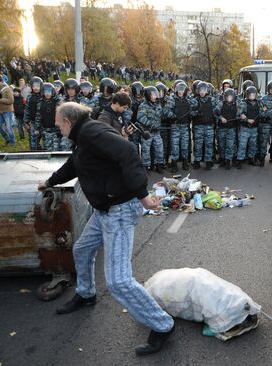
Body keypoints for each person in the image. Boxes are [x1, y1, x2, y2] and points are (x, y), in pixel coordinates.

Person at [39, 102, 175, 356]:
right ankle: (86, 293)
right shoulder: (84, 136)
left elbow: (128, 153)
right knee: (82, 249)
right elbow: (74, 165)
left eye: (59, 125)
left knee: (119, 281)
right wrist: (49, 181)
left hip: (119, 210)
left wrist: (143, 195)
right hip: (104, 210)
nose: (58, 129)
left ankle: (163, 325)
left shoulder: (92, 132)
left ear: (68, 121)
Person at [137, 86, 174, 173]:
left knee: (159, 149)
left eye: (155, 94)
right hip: (147, 132)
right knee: (146, 150)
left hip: (157, 132)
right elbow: (140, 117)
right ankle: (146, 166)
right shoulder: (143, 105)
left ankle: (159, 165)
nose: (155, 97)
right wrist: (150, 124)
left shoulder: (158, 105)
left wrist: (173, 115)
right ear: (148, 96)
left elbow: (164, 113)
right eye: (153, 95)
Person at [235, 85, 263, 169]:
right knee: (242, 145)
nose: (252, 96)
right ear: (247, 95)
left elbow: (263, 111)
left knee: (253, 145)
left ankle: (251, 159)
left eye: (253, 94)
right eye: (250, 94)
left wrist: (264, 109)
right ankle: (239, 160)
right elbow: (238, 114)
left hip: (254, 128)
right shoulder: (242, 103)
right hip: (245, 128)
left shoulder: (258, 103)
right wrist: (247, 119)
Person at [170, 81, 195, 172]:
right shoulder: (172, 99)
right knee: (175, 145)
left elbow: (192, 109)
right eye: (179, 90)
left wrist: (195, 113)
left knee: (185, 145)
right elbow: (166, 111)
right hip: (175, 126)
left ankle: (185, 163)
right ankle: (174, 164)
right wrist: (173, 115)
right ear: (176, 90)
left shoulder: (188, 99)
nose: (181, 92)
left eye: (182, 90)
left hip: (185, 125)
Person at [214, 88, 239, 170]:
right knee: (221, 145)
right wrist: (221, 118)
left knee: (230, 145)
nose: (229, 98)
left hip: (231, 128)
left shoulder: (236, 104)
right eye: (228, 96)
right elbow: (215, 111)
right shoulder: (221, 104)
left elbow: (241, 112)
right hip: (222, 128)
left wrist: (241, 116)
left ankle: (228, 161)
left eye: (231, 97)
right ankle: (222, 159)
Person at [192, 82, 216, 170]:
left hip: (209, 126)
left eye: (204, 90)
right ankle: (197, 161)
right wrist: (196, 113)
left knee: (209, 144)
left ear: (207, 90)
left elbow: (216, 111)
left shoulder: (212, 100)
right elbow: (190, 112)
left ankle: (208, 161)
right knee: (198, 144)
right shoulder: (195, 100)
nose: (202, 92)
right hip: (199, 126)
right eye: (200, 90)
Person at [24, 76, 44, 150]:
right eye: (34, 86)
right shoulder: (29, 97)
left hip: (43, 123)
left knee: (45, 141)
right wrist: (26, 122)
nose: (36, 88)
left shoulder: (44, 96)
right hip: (33, 122)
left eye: (38, 86)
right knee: (33, 142)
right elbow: (27, 109)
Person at [0, 77, 16, 146]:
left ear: (1, 81)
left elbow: (11, 101)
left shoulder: (7, 89)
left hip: (7, 111)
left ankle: (12, 142)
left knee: (9, 128)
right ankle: (7, 139)